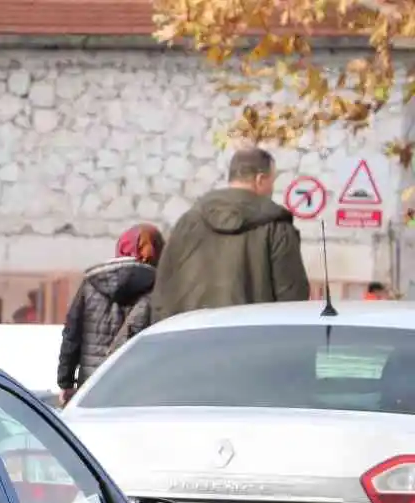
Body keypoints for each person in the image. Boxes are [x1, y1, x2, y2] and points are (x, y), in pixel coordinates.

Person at [151, 147, 311, 319]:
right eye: (272, 181)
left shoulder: (188, 222)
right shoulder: (276, 228)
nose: (271, 188)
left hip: (191, 339)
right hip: (251, 339)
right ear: (260, 179)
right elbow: (292, 299)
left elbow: (163, 292)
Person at [57, 223, 165, 404]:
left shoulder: (91, 283)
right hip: (134, 388)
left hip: (91, 386)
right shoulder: (158, 289)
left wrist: (65, 381)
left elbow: (71, 335)